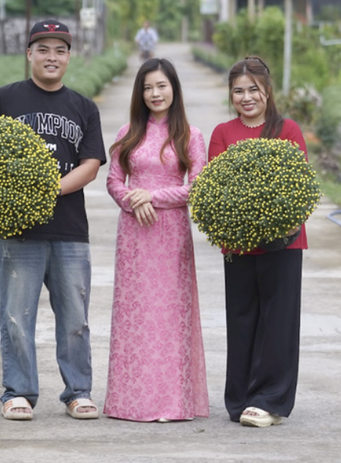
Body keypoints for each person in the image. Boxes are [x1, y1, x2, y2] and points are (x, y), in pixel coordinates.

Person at [0, 19, 106, 421]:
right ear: (29, 54)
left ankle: (78, 391)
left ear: (69, 56)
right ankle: (18, 393)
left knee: (75, 320)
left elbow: (90, 165)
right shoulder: (2, 101)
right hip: (18, 233)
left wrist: (46, 189)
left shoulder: (83, 107)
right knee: (17, 317)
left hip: (69, 230)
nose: (52, 57)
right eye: (44, 49)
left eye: (60, 50)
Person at [104, 58, 209, 422]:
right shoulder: (126, 133)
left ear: (174, 89)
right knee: (136, 316)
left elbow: (196, 186)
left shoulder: (190, 136)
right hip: (134, 236)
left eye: (161, 86)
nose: (155, 93)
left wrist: (152, 197)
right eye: (148, 87)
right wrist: (132, 200)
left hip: (171, 235)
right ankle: (129, 402)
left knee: (169, 316)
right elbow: (114, 181)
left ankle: (171, 404)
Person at [207, 55, 308, 428]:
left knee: (278, 321)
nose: (246, 97)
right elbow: (216, 188)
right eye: (238, 91)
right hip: (237, 244)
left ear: (267, 90)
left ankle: (271, 401)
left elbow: (299, 187)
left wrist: (272, 218)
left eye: (253, 89)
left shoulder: (288, 130)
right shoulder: (223, 133)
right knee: (242, 319)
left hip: (283, 243)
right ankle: (241, 398)